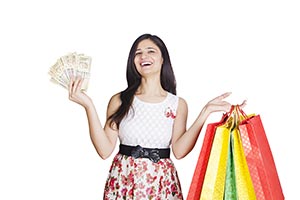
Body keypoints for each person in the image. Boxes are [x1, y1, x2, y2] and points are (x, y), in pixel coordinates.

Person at [68, 33, 245, 199]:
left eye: (150, 51)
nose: (143, 56)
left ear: (162, 60)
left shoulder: (177, 104)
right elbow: (104, 150)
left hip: (162, 184)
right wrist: (88, 106)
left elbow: (179, 151)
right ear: (133, 62)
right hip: (123, 181)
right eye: (138, 53)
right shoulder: (120, 100)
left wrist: (205, 112)